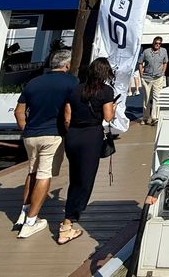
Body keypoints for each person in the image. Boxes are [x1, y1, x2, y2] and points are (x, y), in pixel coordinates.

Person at [13, 50, 77, 239]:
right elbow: (69, 112)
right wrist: (69, 131)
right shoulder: (71, 82)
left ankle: (23, 213)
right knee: (44, 174)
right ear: (67, 65)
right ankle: (31, 222)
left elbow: (18, 112)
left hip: (31, 134)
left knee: (32, 171)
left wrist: (25, 130)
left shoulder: (34, 82)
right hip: (53, 134)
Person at [57, 57, 116, 244]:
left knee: (75, 177)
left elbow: (67, 118)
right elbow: (107, 117)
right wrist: (113, 108)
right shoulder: (106, 91)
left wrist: (72, 132)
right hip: (92, 136)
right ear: (105, 73)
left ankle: (69, 216)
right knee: (85, 180)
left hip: (73, 135)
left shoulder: (75, 90)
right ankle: (68, 223)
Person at [138, 37, 168, 126]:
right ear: (153, 43)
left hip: (158, 77)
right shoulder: (146, 52)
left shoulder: (163, 51)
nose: (157, 45)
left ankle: (155, 117)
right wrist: (141, 75)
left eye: (159, 43)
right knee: (146, 98)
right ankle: (145, 117)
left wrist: (163, 72)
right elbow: (140, 62)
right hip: (147, 78)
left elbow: (165, 62)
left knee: (157, 97)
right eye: (156, 43)